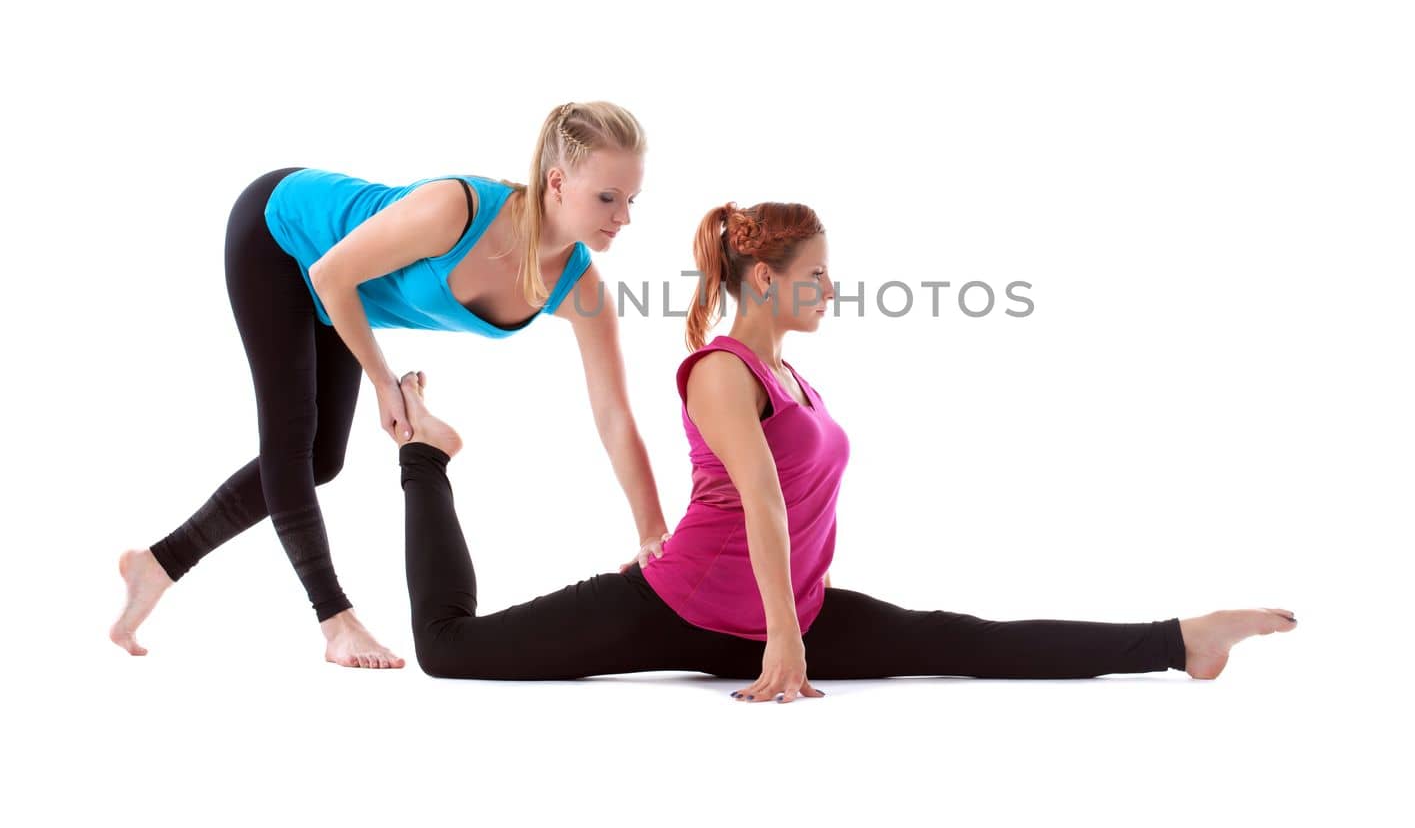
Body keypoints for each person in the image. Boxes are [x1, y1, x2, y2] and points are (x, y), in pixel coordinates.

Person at [389, 201, 1298, 698]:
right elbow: (763, 503)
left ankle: (1183, 641)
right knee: (452, 651)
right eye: (816, 273)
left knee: (956, 640)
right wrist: (785, 641)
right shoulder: (720, 369)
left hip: (791, 609)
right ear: (765, 279)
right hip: (681, 607)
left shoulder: (797, 380)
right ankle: (429, 453)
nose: (831, 285)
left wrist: (793, 624)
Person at [110, 102, 669, 669]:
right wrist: (383, 381)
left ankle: (156, 564)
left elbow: (614, 416)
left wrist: (654, 536)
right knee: (292, 440)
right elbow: (330, 273)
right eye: (608, 197)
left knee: (321, 461)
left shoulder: (579, 289)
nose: (623, 216)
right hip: (281, 235)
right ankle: (337, 623)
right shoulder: (459, 209)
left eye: (631, 200)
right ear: (557, 181)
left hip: (339, 291)